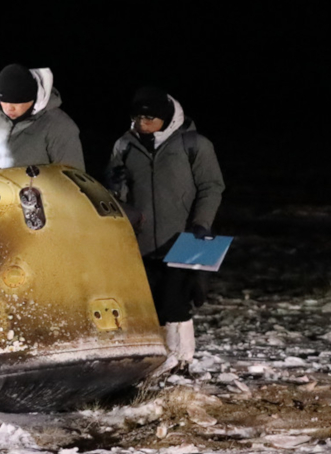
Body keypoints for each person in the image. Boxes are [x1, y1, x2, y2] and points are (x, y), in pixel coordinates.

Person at [105, 86, 224, 375]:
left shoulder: (194, 144)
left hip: (184, 236)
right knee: (151, 304)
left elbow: (211, 186)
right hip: (142, 240)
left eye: (149, 119)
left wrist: (202, 222)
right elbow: (113, 195)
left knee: (177, 302)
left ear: (166, 118)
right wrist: (114, 183)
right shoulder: (124, 144)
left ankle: (182, 359)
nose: (141, 125)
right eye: (137, 118)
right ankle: (157, 361)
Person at [0, 63, 84, 171]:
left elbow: (71, 178)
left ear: (32, 99)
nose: (8, 108)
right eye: (4, 101)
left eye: (16, 102)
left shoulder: (60, 126)